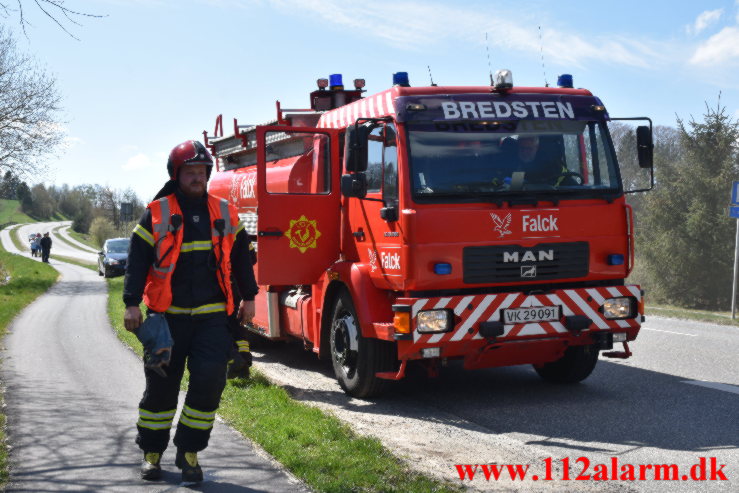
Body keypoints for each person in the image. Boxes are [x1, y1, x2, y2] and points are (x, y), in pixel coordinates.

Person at [123, 140, 258, 483]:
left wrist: (250, 297)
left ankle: (189, 452)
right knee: (160, 391)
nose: (198, 178)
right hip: (165, 320)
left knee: (210, 383)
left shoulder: (225, 211)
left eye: (202, 172)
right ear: (176, 174)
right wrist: (130, 303)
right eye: (191, 172)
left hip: (212, 318)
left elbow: (242, 259)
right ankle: (152, 453)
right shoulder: (157, 212)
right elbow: (137, 262)